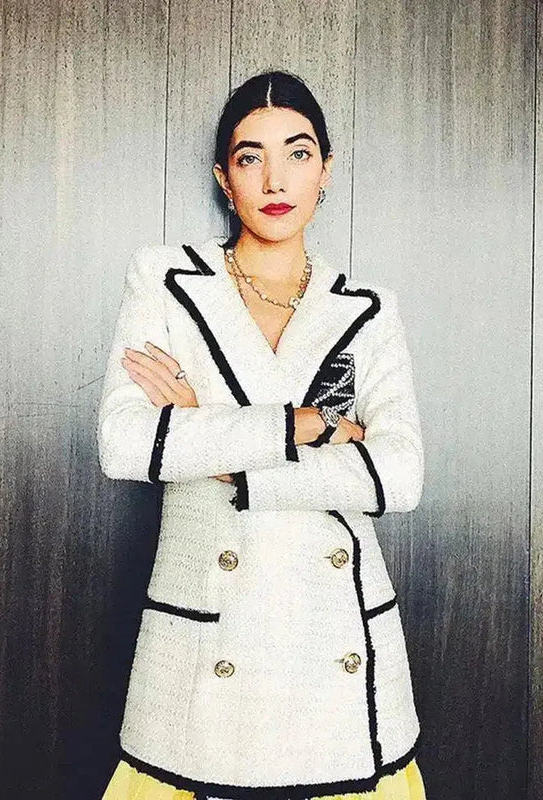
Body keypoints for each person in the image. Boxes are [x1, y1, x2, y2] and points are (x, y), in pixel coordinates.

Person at [98, 70, 426, 800]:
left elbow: (399, 476)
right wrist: (307, 426)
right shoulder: (167, 279)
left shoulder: (370, 308)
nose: (276, 179)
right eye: (251, 157)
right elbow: (124, 444)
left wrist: (216, 449)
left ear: (326, 169)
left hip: (336, 645)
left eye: (298, 153)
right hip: (206, 648)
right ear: (224, 177)